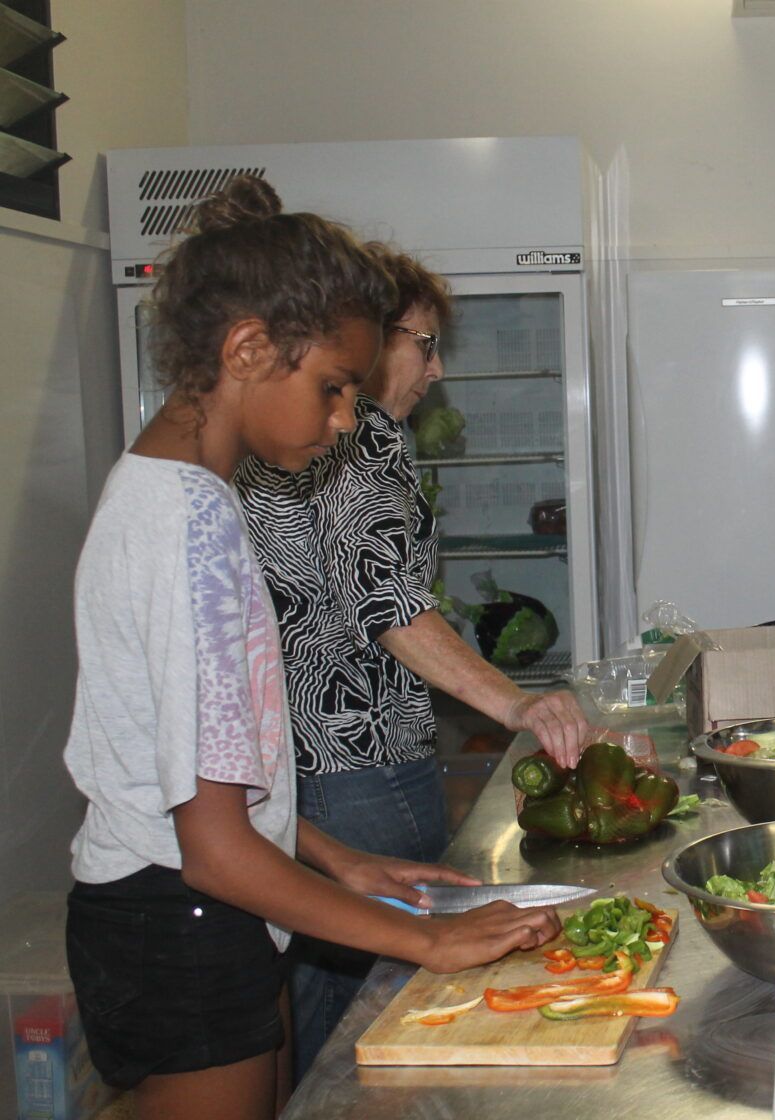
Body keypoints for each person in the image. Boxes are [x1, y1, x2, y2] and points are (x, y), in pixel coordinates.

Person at [62, 177, 560, 1120]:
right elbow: (210, 849)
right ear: (248, 350)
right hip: (183, 915)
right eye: (333, 388)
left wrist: (338, 859)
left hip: (198, 902)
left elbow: (197, 781)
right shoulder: (188, 528)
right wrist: (425, 944)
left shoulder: (174, 494)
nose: (344, 420)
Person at [234, 244, 595, 1078]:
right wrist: (519, 705)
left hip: (314, 771)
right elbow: (389, 605)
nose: (434, 370)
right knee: (372, 1019)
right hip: (354, 772)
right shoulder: (355, 438)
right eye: (422, 344)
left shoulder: (316, 435)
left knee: (352, 1000)